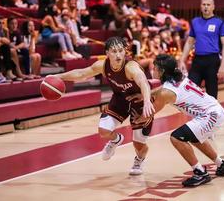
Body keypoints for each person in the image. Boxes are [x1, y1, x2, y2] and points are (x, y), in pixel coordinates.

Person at [53, 37, 155, 175]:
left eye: (120, 51)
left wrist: (148, 101)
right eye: (114, 51)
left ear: (125, 51)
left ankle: (139, 159)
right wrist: (59, 77)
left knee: (139, 143)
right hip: (120, 99)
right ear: (107, 53)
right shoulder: (102, 65)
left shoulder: (131, 67)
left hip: (141, 102)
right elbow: (81, 73)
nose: (118, 55)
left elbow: (143, 82)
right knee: (104, 130)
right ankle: (115, 140)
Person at [129, 54, 224, 187]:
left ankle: (200, 172)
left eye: (154, 68)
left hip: (210, 115)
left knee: (177, 137)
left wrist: (137, 119)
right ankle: (222, 164)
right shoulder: (177, 76)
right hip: (215, 110)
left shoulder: (166, 93)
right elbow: (162, 89)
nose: (152, 70)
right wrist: (146, 94)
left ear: (161, 71)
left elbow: (150, 112)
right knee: (194, 137)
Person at [179, 0, 224, 99]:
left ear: (213, 7)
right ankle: (195, 114)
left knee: (211, 95)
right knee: (189, 91)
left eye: (208, 4)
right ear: (200, 6)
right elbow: (189, 42)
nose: (206, 6)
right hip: (198, 60)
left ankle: (213, 114)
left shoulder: (220, 22)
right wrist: (181, 60)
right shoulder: (195, 22)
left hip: (212, 61)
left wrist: (223, 65)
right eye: (204, 4)